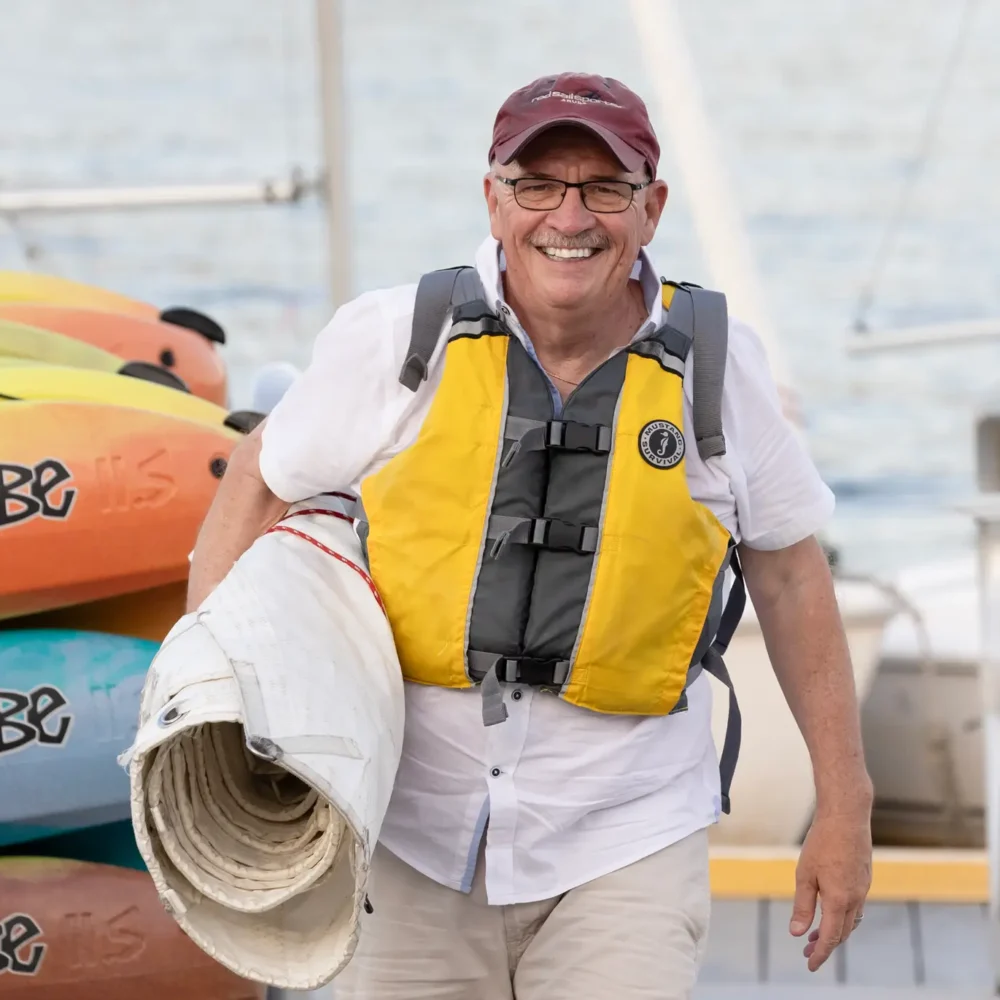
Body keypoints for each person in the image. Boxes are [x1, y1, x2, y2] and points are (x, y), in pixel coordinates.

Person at [187, 71, 873, 1000]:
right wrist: (197, 710)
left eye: (605, 188)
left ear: (651, 207)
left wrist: (846, 800)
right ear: (494, 198)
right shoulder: (398, 340)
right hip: (408, 835)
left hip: (625, 835)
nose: (570, 217)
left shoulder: (720, 367)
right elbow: (260, 481)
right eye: (539, 185)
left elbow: (791, 578)